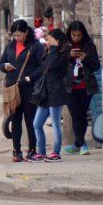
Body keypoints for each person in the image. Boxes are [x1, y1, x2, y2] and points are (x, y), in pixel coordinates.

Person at [0, 19, 44, 162]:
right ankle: (16, 151)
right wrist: (4, 67)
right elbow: (1, 63)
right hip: (13, 88)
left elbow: (42, 67)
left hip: (29, 88)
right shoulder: (10, 46)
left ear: (26, 32)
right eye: (15, 35)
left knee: (30, 120)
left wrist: (30, 77)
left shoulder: (36, 46)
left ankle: (32, 150)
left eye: (19, 35)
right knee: (15, 119)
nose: (17, 38)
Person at [30, 29, 69, 163]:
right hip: (45, 93)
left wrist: (53, 49)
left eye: (50, 40)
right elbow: (43, 68)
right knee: (37, 124)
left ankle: (56, 153)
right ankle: (41, 152)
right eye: (48, 39)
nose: (48, 42)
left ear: (57, 41)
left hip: (56, 92)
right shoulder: (49, 53)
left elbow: (52, 65)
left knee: (56, 123)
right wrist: (29, 77)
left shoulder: (62, 55)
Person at [63, 20, 101, 156]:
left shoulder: (89, 46)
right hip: (69, 87)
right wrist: (68, 56)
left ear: (83, 34)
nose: (76, 38)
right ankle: (82, 144)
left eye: (79, 35)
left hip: (86, 86)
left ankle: (77, 144)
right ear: (70, 34)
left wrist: (85, 58)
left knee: (82, 115)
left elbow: (96, 66)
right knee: (76, 115)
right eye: (74, 35)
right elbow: (57, 62)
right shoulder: (65, 45)